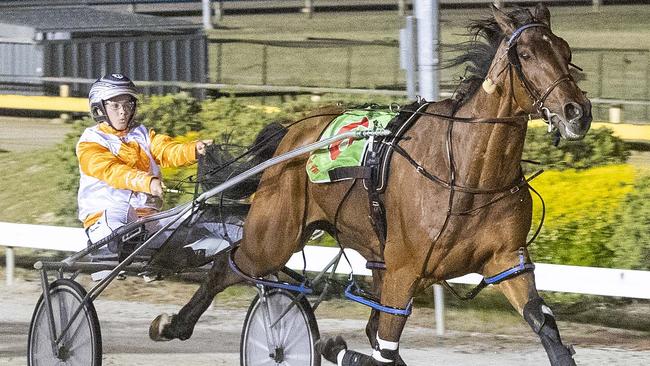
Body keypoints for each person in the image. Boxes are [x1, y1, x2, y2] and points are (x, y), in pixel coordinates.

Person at [77, 74, 236, 263]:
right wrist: (148, 182)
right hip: (106, 221)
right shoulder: (90, 142)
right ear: (99, 108)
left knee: (198, 215)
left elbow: (167, 150)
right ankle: (121, 248)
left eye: (128, 105)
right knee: (120, 211)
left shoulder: (142, 134)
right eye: (115, 105)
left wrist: (193, 149)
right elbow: (113, 171)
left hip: (148, 223)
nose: (123, 112)